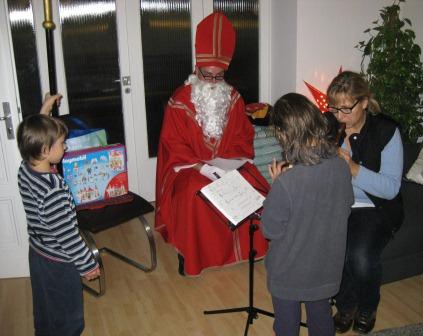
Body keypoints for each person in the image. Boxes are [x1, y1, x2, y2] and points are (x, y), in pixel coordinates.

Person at [155, 12, 270, 276]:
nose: (213, 82)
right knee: (196, 194)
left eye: (219, 77)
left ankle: (254, 247)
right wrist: (201, 167)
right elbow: (172, 144)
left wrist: (230, 164)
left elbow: (243, 138)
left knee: (254, 188)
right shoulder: (179, 101)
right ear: (197, 69)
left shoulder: (234, 99)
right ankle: (191, 256)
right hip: (190, 170)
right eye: (208, 76)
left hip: (227, 166)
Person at [261, 93, 354, 336]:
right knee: (321, 316)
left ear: (284, 134)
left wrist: (276, 186)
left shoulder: (286, 183)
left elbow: (270, 230)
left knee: (286, 324)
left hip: (289, 272)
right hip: (325, 268)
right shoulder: (342, 168)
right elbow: (345, 207)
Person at [326, 71, 404, 334]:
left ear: (364, 103)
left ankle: (367, 307)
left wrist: (352, 168)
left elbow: (391, 189)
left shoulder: (386, 131)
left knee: (359, 256)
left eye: (346, 108)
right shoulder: (331, 126)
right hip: (339, 204)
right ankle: (346, 306)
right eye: (334, 107)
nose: (339, 116)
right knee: (332, 251)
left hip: (376, 206)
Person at [16, 94, 100, 336]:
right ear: (45, 150)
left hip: (39, 254)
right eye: (62, 143)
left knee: (45, 308)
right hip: (60, 262)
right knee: (68, 316)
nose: (65, 147)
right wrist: (88, 265)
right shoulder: (53, 191)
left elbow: (33, 137)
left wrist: (44, 111)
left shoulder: (25, 169)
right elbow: (68, 237)